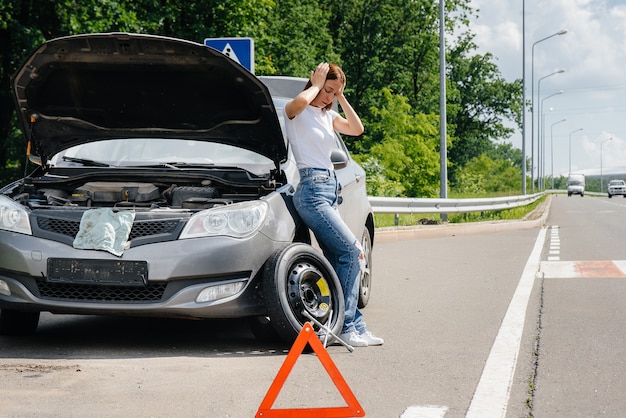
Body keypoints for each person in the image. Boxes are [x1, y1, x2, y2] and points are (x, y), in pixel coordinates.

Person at [284, 62, 384, 347]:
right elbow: (295, 105)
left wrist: (340, 96)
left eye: (335, 92)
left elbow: (357, 128)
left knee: (341, 259)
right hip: (312, 192)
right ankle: (348, 327)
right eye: (327, 90)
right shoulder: (298, 112)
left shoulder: (327, 116)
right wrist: (316, 86)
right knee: (353, 252)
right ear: (315, 82)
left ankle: (343, 324)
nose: (329, 97)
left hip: (330, 190)